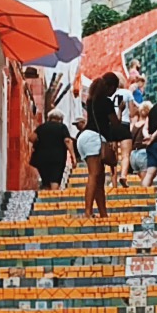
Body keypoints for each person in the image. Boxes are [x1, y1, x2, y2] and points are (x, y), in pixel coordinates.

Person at [78, 73, 123, 218]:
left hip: (84, 138)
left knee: (99, 179)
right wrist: (120, 109)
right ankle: (88, 212)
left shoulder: (91, 100)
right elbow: (115, 123)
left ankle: (103, 213)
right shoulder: (106, 102)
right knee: (94, 175)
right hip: (93, 138)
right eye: (114, 89)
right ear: (110, 87)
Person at [30, 109, 73, 190]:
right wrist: (73, 157)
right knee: (55, 180)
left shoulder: (42, 127)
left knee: (46, 181)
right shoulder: (62, 127)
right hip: (57, 158)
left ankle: (45, 199)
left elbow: (31, 138)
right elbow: (67, 141)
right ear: (60, 119)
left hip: (42, 158)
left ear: (49, 118)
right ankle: (53, 199)